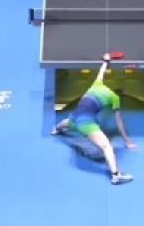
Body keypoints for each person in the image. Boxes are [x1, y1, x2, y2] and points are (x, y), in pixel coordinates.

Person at [51, 53, 137, 185]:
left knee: (66, 123)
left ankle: (56, 130)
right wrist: (127, 140)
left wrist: (106, 61)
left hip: (74, 116)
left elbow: (101, 73)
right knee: (106, 146)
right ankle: (116, 175)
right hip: (86, 124)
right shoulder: (115, 98)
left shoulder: (97, 84)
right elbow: (119, 121)